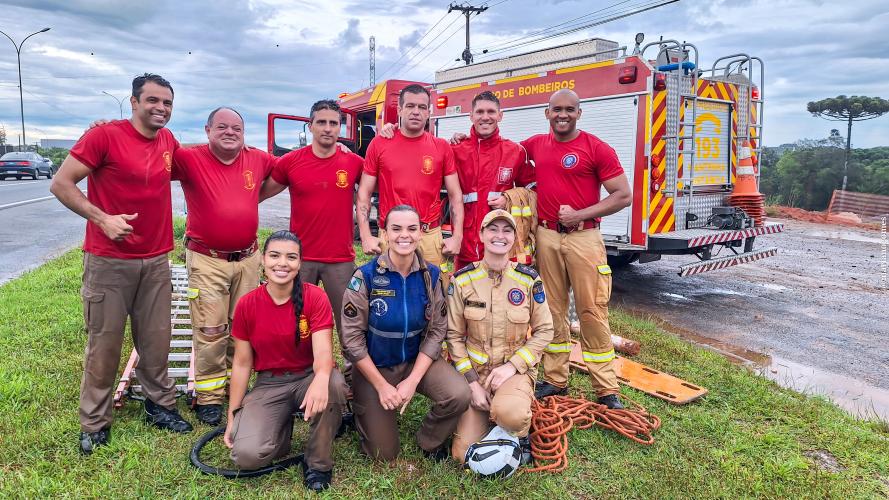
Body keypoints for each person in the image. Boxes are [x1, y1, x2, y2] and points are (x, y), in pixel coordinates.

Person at [50, 73, 192, 455]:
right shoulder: (104, 136)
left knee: (157, 338)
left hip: (156, 259)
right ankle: (94, 422)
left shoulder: (167, 141)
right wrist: (101, 218)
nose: (161, 108)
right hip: (109, 261)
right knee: (105, 343)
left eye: (167, 102)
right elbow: (61, 184)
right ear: (133, 102)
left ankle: (159, 406)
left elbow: (193, 167)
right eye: (153, 101)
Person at [522, 89, 632, 408]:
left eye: (570, 109)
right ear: (547, 113)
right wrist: (461, 137)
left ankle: (606, 389)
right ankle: (556, 380)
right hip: (546, 237)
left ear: (579, 113)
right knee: (552, 311)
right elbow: (503, 151)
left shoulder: (596, 148)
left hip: (584, 237)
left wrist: (580, 214)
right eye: (557, 109)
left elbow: (622, 195)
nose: (563, 115)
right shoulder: (535, 145)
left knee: (591, 311)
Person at [340, 204, 471, 461]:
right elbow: (351, 340)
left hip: (415, 361)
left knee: (459, 394)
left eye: (412, 229)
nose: (404, 235)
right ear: (385, 233)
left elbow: (436, 332)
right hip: (375, 367)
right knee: (383, 453)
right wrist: (381, 386)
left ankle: (428, 440)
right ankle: (363, 409)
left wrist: (411, 381)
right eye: (396, 228)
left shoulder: (431, 276)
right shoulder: (364, 277)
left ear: (421, 233)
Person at [173, 107, 277, 426]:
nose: (230, 132)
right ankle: (209, 398)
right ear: (207, 130)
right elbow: (148, 154)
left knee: (243, 328)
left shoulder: (258, 159)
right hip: (208, 259)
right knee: (211, 329)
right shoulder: (189, 158)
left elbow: (290, 170)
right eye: (222, 127)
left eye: (236, 128)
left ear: (244, 133)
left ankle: (237, 388)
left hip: (247, 259)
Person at [225, 230, 347, 492]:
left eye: (291, 257)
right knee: (245, 456)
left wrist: (321, 379)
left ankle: (317, 463)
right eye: (275, 256)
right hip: (270, 384)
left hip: (309, 376)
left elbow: (324, 354)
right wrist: (233, 414)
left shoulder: (315, 297)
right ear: (263, 260)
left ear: (300, 263)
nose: (283, 263)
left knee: (334, 384)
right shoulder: (247, 304)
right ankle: (281, 430)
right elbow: (242, 364)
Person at [378, 90, 535, 270]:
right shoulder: (455, 149)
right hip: (466, 243)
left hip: (501, 241)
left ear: (500, 115)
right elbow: (419, 149)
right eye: (480, 112)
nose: (485, 117)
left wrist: (509, 198)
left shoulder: (515, 151)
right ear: (471, 116)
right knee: (464, 293)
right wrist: (395, 128)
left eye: (491, 112)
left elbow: (533, 191)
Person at [446, 209, 554, 463]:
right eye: (493, 229)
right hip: (476, 374)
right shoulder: (462, 281)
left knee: (511, 415)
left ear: (514, 238)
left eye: (507, 230)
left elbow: (545, 330)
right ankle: (490, 415)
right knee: (462, 456)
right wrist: (472, 383)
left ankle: (519, 431)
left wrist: (512, 367)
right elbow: (453, 336)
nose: (499, 236)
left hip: (512, 372)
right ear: (482, 235)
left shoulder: (528, 280)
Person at [260, 100, 364, 340]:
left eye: (333, 123)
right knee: (295, 319)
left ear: (340, 128)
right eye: (321, 122)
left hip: (340, 259)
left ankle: (353, 373)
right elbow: (259, 195)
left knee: (349, 322)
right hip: (300, 258)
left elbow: (385, 184)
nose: (327, 128)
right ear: (310, 126)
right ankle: (297, 369)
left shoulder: (353, 162)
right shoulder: (291, 162)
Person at [356, 84, 464, 268]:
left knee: (432, 293)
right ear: (399, 109)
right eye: (410, 106)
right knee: (389, 292)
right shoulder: (379, 144)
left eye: (422, 107)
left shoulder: (442, 147)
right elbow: (364, 193)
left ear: (429, 112)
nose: (416, 112)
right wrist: (366, 236)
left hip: (429, 236)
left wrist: (457, 237)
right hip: (392, 234)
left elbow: (455, 196)